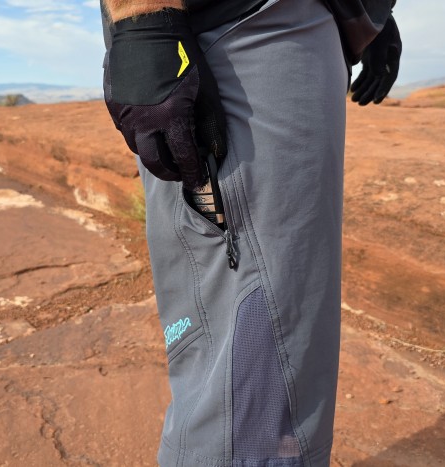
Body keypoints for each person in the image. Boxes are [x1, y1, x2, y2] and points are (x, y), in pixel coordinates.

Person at [100, 1, 401, 465]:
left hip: (305, 30)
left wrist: (368, 14)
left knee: (292, 327)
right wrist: (145, 19)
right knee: (250, 357)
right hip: (239, 28)